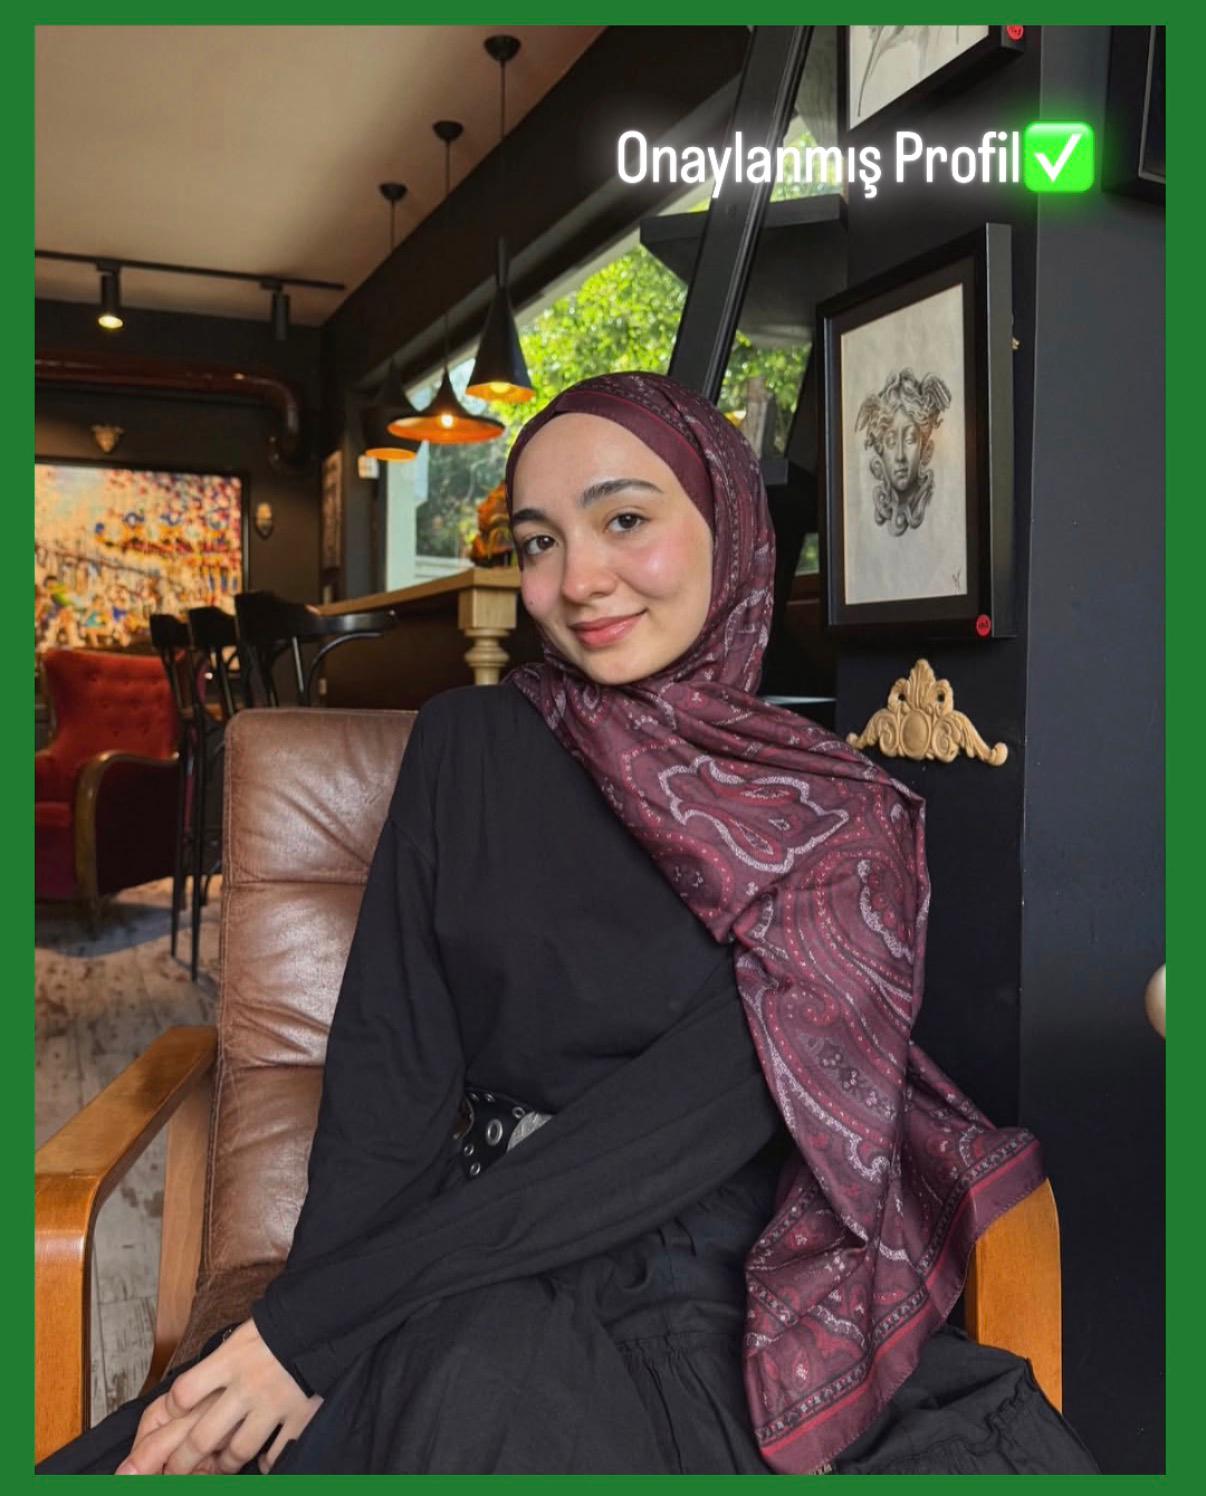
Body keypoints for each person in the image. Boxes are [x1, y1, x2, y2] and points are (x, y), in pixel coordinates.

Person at [37, 372, 1097, 1476]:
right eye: (540, 541)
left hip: (718, 1288)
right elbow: (388, 1086)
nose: (578, 581)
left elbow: (661, 1135)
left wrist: (314, 1330)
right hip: (465, 1265)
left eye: (625, 519)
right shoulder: (466, 745)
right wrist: (299, 1339)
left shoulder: (837, 823)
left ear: (731, 527)